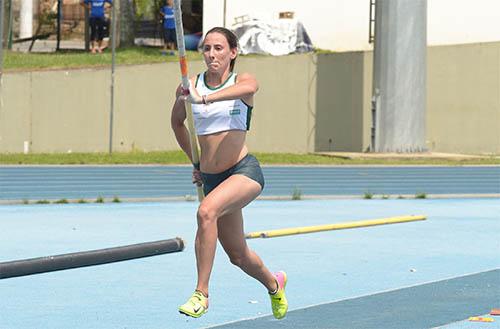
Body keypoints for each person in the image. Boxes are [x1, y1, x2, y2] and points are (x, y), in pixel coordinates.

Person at [170, 27, 288, 319]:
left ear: (232, 52)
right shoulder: (191, 85)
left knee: (206, 212)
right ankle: (275, 285)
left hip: (243, 172)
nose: (212, 54)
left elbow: (251, 88)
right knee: (238, 255)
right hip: (212, 179)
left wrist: (206, 99)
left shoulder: (241, 81)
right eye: (207, 48)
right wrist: (195, 163)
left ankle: (201, 294)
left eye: (219, 48)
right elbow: (177, 124)